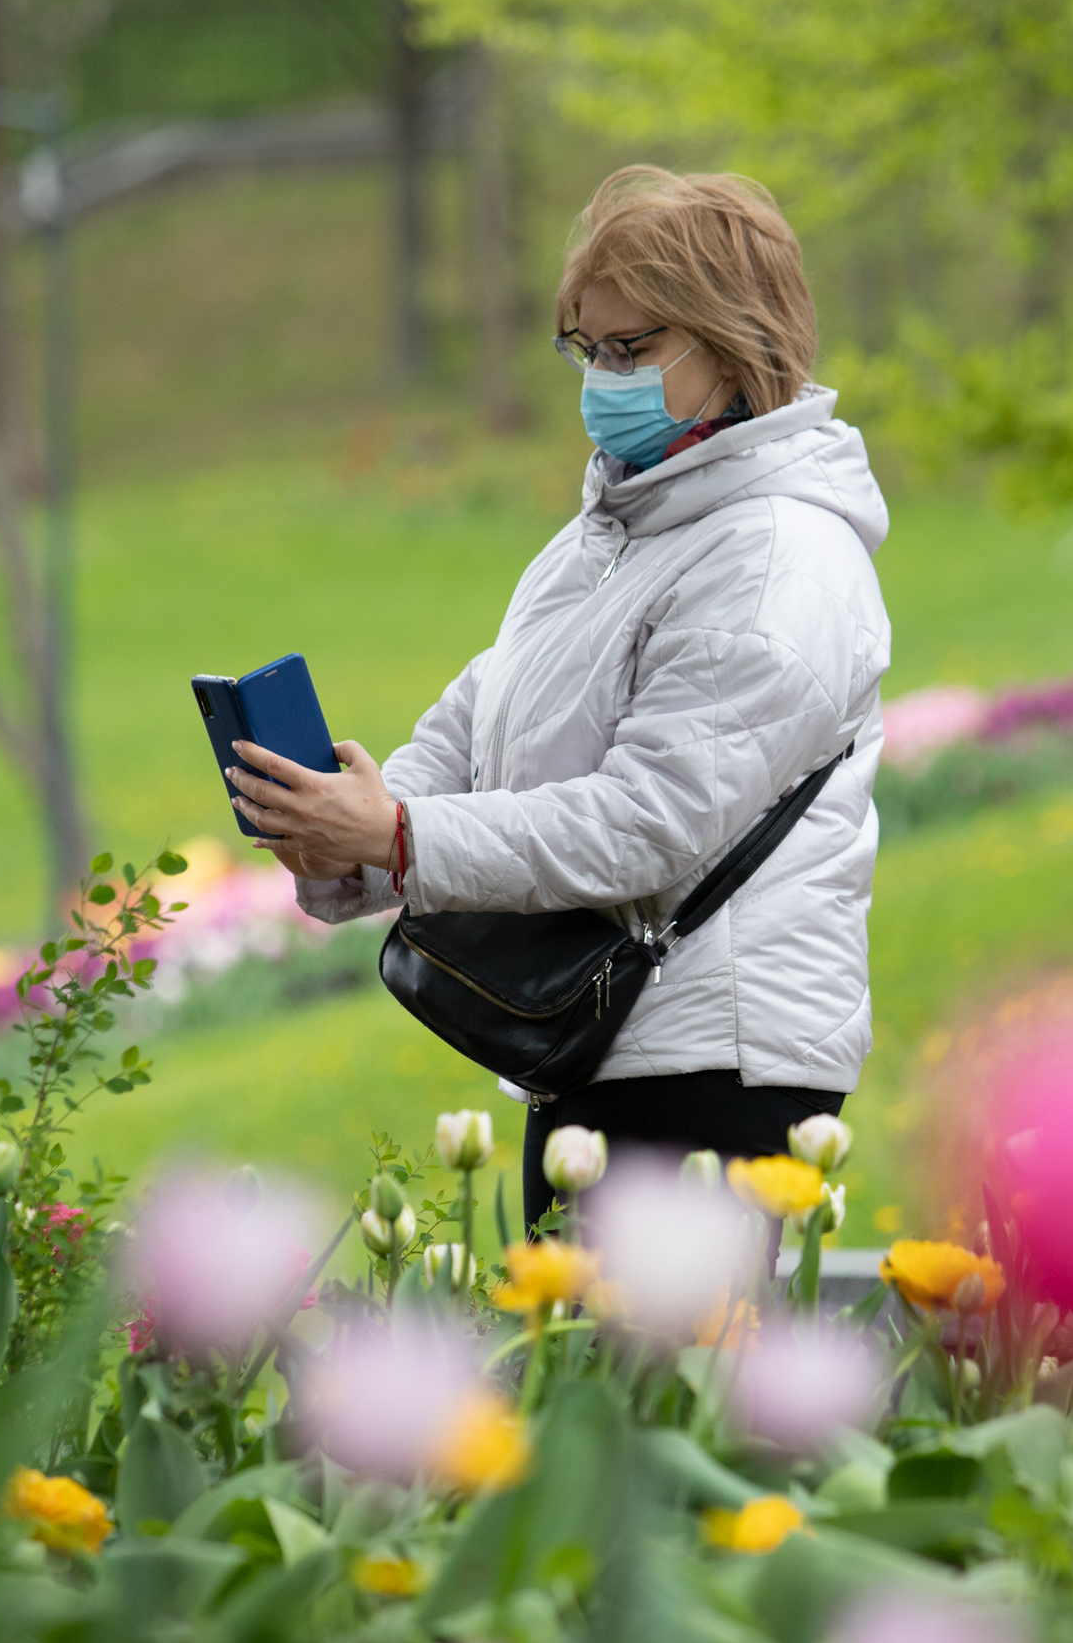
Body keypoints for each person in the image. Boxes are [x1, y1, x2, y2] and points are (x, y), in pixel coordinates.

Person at [222, 166, 891, 1233]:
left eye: (632, 351)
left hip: (711, 1058)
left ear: (734, 344)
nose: (602, 379)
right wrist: (348, 838)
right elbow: (483, 718)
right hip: (594, 1045)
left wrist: (398, 833)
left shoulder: (773, 554)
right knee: (578, 1393)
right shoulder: (617, 529)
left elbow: (646, 824)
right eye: (587, 349)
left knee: (653, 1398)